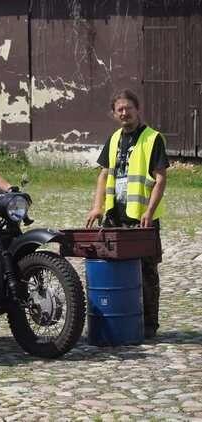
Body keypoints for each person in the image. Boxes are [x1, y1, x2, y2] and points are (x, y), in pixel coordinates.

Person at [85, 89, 169, 339]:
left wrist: (149, 211)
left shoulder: (152, 138)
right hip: (115, 216)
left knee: (147, 273)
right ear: (114, 113)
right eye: (119, 109)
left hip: (142, 218)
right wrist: (98, 206)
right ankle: (120, 319)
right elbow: (103, 175)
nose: (124, 113)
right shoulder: (113, 140)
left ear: (137, 109)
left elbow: (160, 178)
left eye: (128, 108)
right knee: (114, 269)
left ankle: (149, 325)